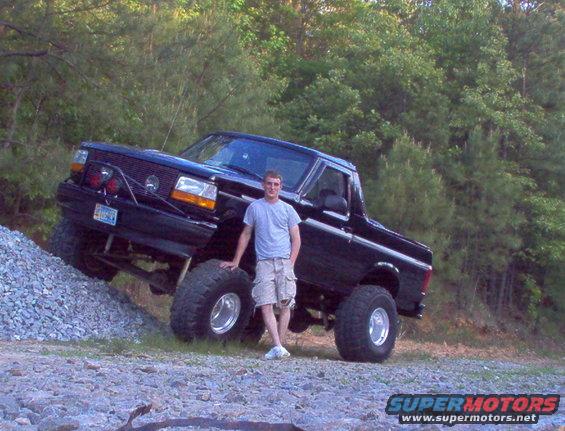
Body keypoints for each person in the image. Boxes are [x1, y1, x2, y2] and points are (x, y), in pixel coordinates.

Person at [220, 170, 301, 360]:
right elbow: (246, 234)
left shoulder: (288, 209)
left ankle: (279, 346)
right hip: (264, 262)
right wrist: (236, 261)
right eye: (269, 183)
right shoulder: (254, 208)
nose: (272, 187)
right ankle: (278, 346)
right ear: (263, 185)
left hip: (283, 262)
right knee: (265, 304)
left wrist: (291, 263)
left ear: (280, 187)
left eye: (276, 184)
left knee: (285, 304)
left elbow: (296, 239)